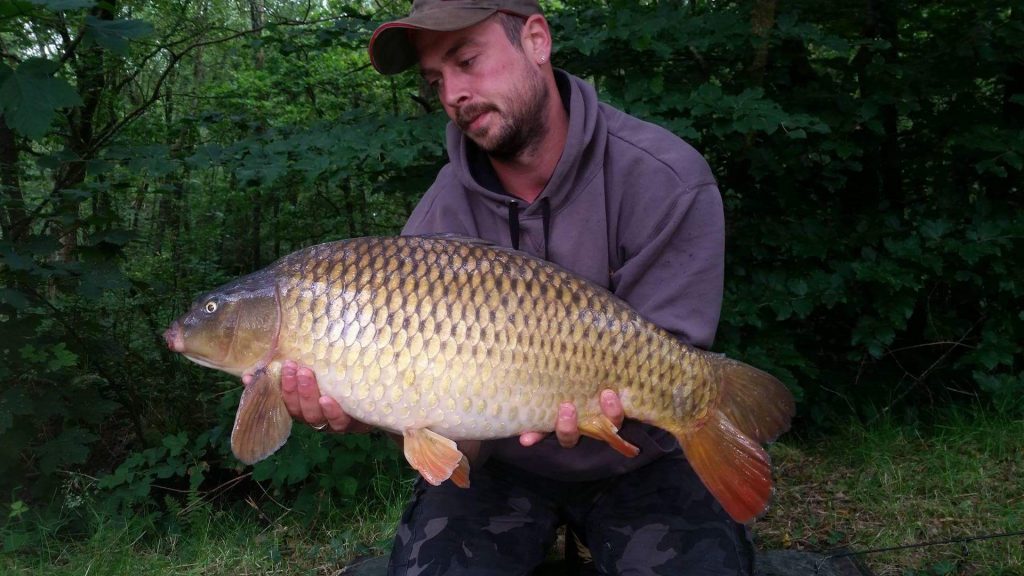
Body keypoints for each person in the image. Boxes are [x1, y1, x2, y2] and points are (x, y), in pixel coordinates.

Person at [281, 1, 752, 574]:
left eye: (468, 60)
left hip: (644, 459)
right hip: (500, 466)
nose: (453, 93)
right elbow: (454, 438)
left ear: (536, 40)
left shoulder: (667, 179)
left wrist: (652, 407)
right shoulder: (435, 223)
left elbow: (673, 364)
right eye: (436, 80)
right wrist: (368, 405)